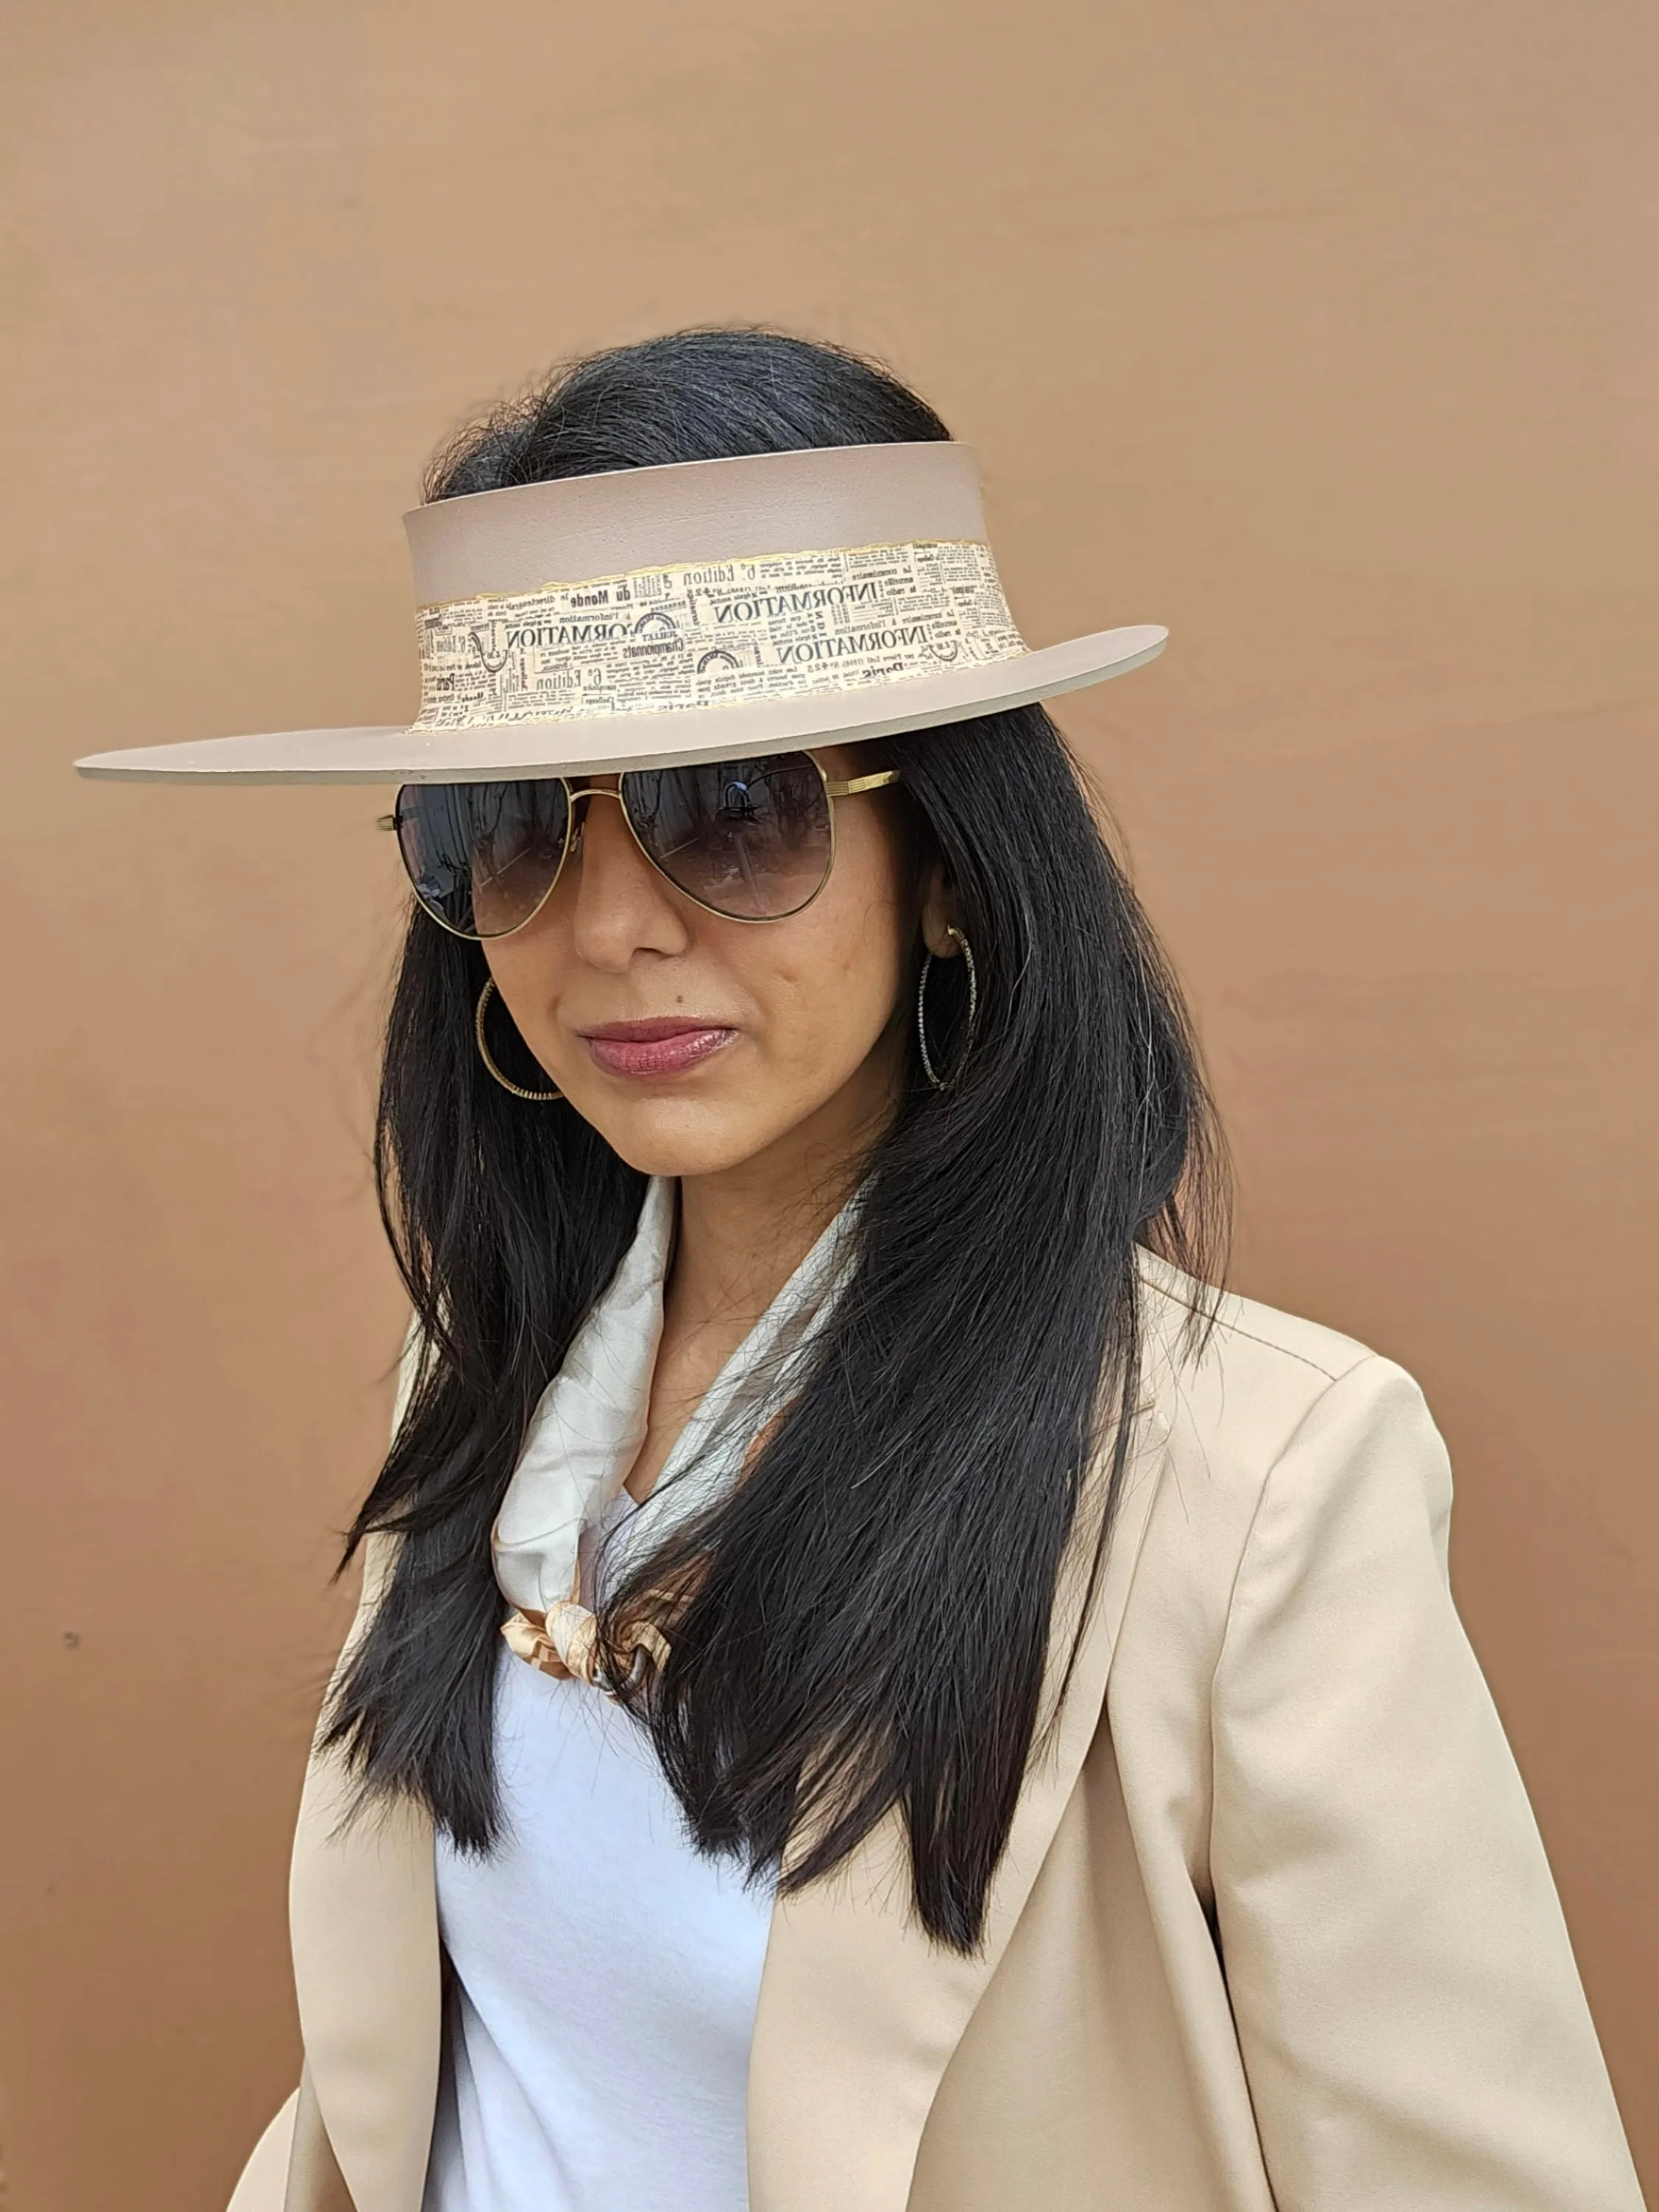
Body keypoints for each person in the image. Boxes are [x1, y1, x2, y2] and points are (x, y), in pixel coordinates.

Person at [79, 330, 1643, 2212]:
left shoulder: (1251, 1490)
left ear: (956, 862)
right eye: (508, 827)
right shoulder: (482, 1374)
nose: (610, 927)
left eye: (733, 810)